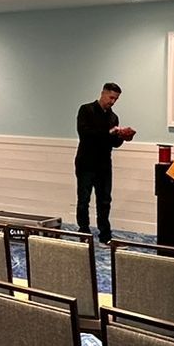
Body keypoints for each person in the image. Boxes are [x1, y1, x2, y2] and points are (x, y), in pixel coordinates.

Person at [75, 82, 134, 241]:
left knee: (105, 201)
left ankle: (105, 235)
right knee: (84, 199)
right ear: (103, 93)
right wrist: (109, 132)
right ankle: (84, 232)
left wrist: (123, 137)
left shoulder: (113, 117)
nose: (112, 102)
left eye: (116, 99)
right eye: (111, 97)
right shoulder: (86, 110)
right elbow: (85, 134)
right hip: (86, 162)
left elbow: (114, 143)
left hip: (104, 164)